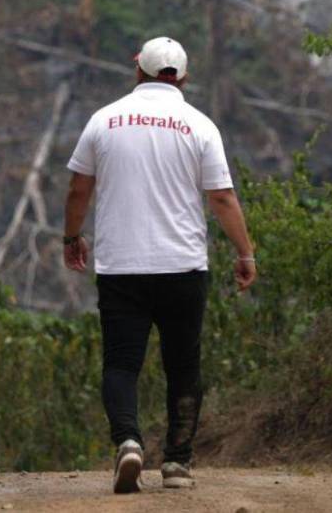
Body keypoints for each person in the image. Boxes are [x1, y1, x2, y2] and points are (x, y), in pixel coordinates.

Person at [61, 36, 256, 494]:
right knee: (183, 365)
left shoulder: (103, 121)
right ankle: (177, 463)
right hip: (182, 266)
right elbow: (223, 198)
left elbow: (77, 190)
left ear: (138, 72)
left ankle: (128, 442)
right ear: (183, 77)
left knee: (121, 363)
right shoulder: (200, 125)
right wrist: (244, 252)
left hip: (121, 266)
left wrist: (72, 237)